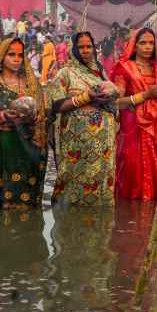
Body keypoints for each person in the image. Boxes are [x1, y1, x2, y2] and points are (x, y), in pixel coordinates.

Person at [47, 32, 119, 206]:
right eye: (81, 47)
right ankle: (69, 224)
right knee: (73, 184)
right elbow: (56, 105)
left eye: (89, 47)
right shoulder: (65, 73)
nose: (86, 51)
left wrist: (108, 97)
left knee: (99, 187)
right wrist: (86, 97)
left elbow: (114, 100)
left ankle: (99, 228)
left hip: (102, 145)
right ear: (73, 49)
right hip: (76, 143)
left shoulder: (100, 73)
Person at [0, 38, 48, 207]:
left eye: (20, 55)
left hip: (28, 148)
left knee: (27, 199)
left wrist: (35, 117)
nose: (16, 59)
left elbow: (42, 115)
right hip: (2, 147)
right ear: (1, 56)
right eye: (11, 55)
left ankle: (26, 231)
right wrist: (2, 116)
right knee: (2, 201)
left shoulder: (31, 83)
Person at [111, 28, 157, 201]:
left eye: (151, 43)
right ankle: (128, 212)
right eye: (143, 43)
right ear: (134, 46)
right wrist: (145, 95)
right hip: (132, 127)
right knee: (132, 167)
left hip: (156, 126)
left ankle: (149, 214)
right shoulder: (124, 68)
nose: (147, 47)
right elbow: (115, 102)